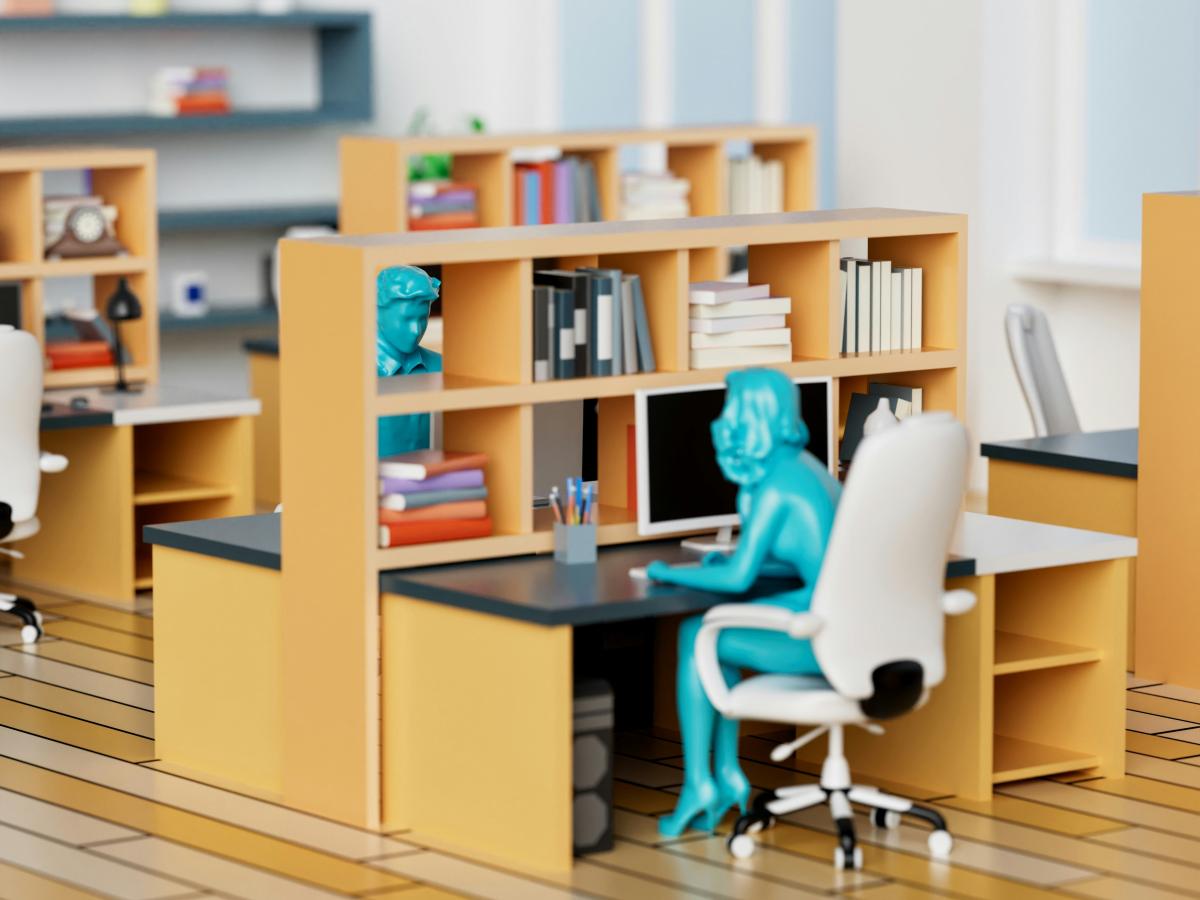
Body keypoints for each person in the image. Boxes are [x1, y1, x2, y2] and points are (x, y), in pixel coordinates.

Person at [646, 368, 841, 837]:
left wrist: (668, 571)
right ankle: (728, 772)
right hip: (850, 621)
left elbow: (738, 579)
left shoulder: (775, 485)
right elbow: (804, 563)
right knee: (714, 634)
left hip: (824, 635)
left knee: (698, 635)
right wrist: (733, 561)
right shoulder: (807, 468)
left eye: (731, 408)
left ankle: (699, 784)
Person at [377, 265, 442, 457]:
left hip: (434, 480)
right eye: (406, 319)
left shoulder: (439, 366)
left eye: (422, 319)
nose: (416, 330)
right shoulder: (355, 372)